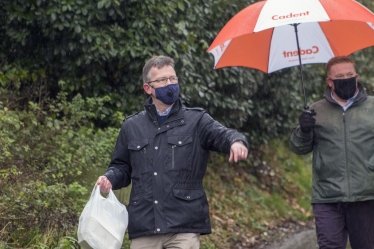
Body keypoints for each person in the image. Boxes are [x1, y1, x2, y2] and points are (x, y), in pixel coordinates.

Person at [96, 55, 249, 249]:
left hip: (183, 227)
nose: (169, 84)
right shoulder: (131, 126)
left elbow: (223, 134)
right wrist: (109, 178)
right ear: (148, 88)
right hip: (145, 226)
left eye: (172, 79)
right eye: (162, 80)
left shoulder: (197, 120)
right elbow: (121, 167)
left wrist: (236, 142)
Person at [289, 56, 374, 249]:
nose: (346, 79)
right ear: (330, 81)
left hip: (367, 196)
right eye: (340, 76)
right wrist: (303, 130)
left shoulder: (372, 107)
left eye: (349, 75)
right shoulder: (315, 110)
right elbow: (298, 148)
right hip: (327, 197)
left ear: (357, 76)